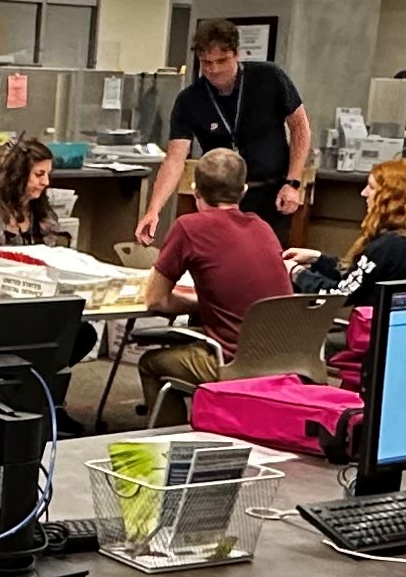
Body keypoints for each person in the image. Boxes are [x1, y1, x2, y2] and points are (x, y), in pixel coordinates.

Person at [135, 149, 294, 412]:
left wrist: (200, 305)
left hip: (232, 361)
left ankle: (171, 445)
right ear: (243, 191)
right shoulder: (263, 228)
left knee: (152, 363)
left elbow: (156, 300)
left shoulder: (189, 227)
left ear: (195, 190)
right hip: (285, 356)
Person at [140, 21, 314, 241]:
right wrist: (154, 209)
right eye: (207, 63)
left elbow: (300, 127)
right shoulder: (190, 100)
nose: (214, 69)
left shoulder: (269, 78)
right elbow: (175, 158)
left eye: (222, 61)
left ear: (237, 54)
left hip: (270, 191)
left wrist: (293, 182)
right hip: (219, 199)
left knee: (264, 260)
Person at [342, 157, 406, 288]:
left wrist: (305, 277)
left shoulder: (390, 246)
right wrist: (317, 259)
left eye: (371, 187)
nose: (364, 193)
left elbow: (343, 293)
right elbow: (355, 272)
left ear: (393, 198)